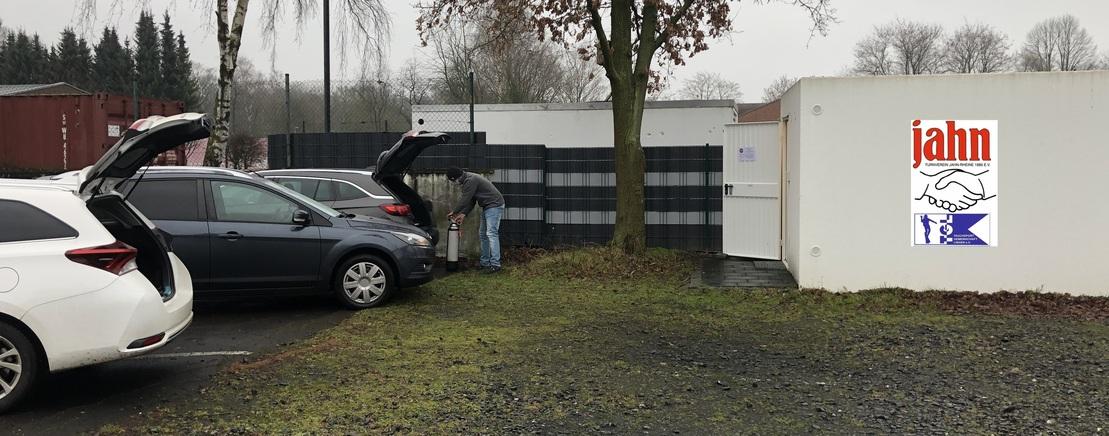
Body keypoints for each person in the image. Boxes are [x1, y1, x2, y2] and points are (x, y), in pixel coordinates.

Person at [446, 167, 505, 273]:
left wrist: (454, 212)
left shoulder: (470, 180)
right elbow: (472, 200)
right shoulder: (468, 179)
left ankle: (496, 264)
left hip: (494, 205)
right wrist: (464, 214)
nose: (455, 183)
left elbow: (465, 199)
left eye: (453, 181)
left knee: (491, 233)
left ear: (456, 178)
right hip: (487, 206)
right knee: (483, 235)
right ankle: (485, 263)